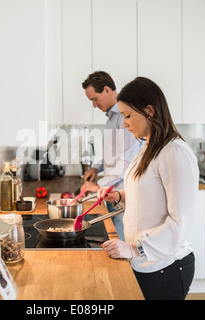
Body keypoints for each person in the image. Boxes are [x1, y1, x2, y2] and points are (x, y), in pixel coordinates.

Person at [97, 77, 199, 300]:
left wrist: (134, 249)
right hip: (147, 262)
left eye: (127, 116)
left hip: (166, 265)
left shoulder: (175, 152)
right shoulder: (150, 147)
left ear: (149, 111)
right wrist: (119, 196)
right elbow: (148, 198)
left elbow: (180, 222)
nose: (124, 123)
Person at [80, 71, 142, 241]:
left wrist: (99, 185)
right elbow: (113, 153)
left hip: (122, 196)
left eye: (94, 99)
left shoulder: (125, 117)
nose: (94, 105)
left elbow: (126, 161)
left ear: (107, 90)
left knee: (122, 248)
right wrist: (96, 167)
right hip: (111, 193)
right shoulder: (111, 119)